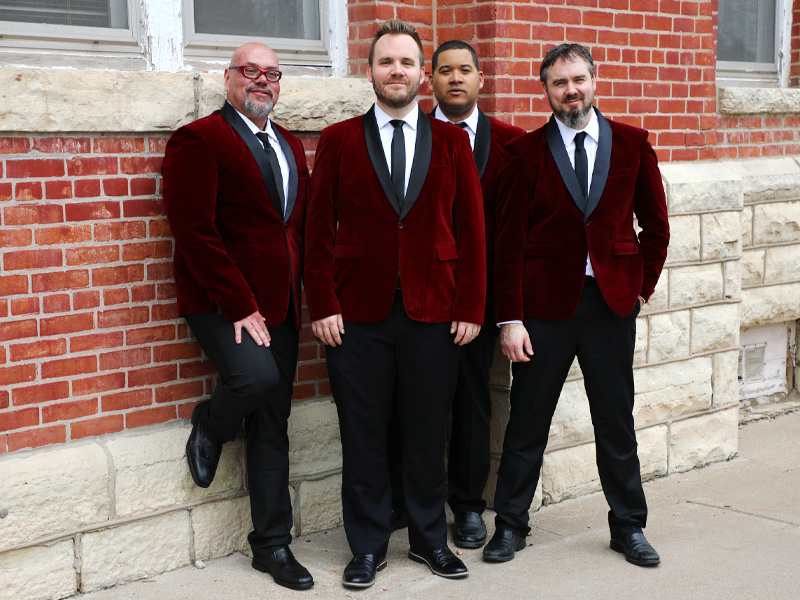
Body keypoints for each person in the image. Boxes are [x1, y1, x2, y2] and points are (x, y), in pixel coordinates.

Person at [304, 19, 486, 589]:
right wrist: (323, 303)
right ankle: (367, 547)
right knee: (363, 435)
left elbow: (472, 230)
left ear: (423, 74)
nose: (398, 71)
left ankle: (431, 542)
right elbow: (316, 231)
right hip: (357, 317)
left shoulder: (453, 140)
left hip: (435, 314)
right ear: (370, 71)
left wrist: (472, 306)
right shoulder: (337, 140)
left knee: (430, 434)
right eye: (387, 62)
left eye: (408, 63)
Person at [487, 43, 670, 567]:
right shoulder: (523, 154)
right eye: (559, 82)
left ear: (595, 80)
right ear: (544, 90)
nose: (571, 90)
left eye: (578, 79)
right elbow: (508, 243)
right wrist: (511, 318)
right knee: (527, 422)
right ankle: (511, 526)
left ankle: (629, 527)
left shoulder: (633, 145)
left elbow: (656, 229)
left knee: (615, 422)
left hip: (611, 307)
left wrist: (639, 290)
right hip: (544, 310)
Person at [161, 43, 313, 590]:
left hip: (284, 305)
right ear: (227, 78)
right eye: (250, 72)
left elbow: (297, 226)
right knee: (254, 378)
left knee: (274, 421)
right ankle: (213, 422)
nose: (262, 81)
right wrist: (241, 304)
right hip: (222, 302)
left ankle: (271, 545)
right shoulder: (198, 140)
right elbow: (194, 231)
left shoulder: (292, 145)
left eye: (272, 74)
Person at [388, 40, 525, 549]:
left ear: (480, 78)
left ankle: (468, 506)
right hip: (417, 295)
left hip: (478, 299)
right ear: (431, 79)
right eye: (444, 71)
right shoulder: (406, 132)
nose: (455, 79)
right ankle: (404, 499)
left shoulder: (511, 143)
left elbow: (516, 228)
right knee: (408, 400)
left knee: (471, 401)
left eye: (465, 70)